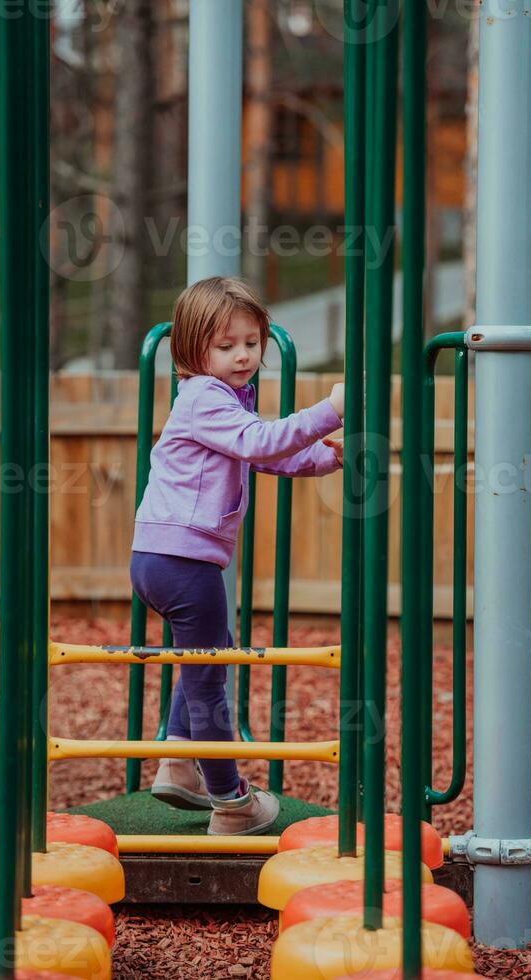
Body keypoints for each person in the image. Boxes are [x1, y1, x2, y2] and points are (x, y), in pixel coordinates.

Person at [131, 275, 345, 836]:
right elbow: (259, 443)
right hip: (182, 562)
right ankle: (232, 803)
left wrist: (326, 459)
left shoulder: (221, 399)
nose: (242, 355)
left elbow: (261, 455)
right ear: (192, 350)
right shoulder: (203, 395)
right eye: (226, 346)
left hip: (163, 558)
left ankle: (179, 763)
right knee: (210, 678)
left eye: (251, 342)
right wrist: (331, 410)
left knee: (209, 653)